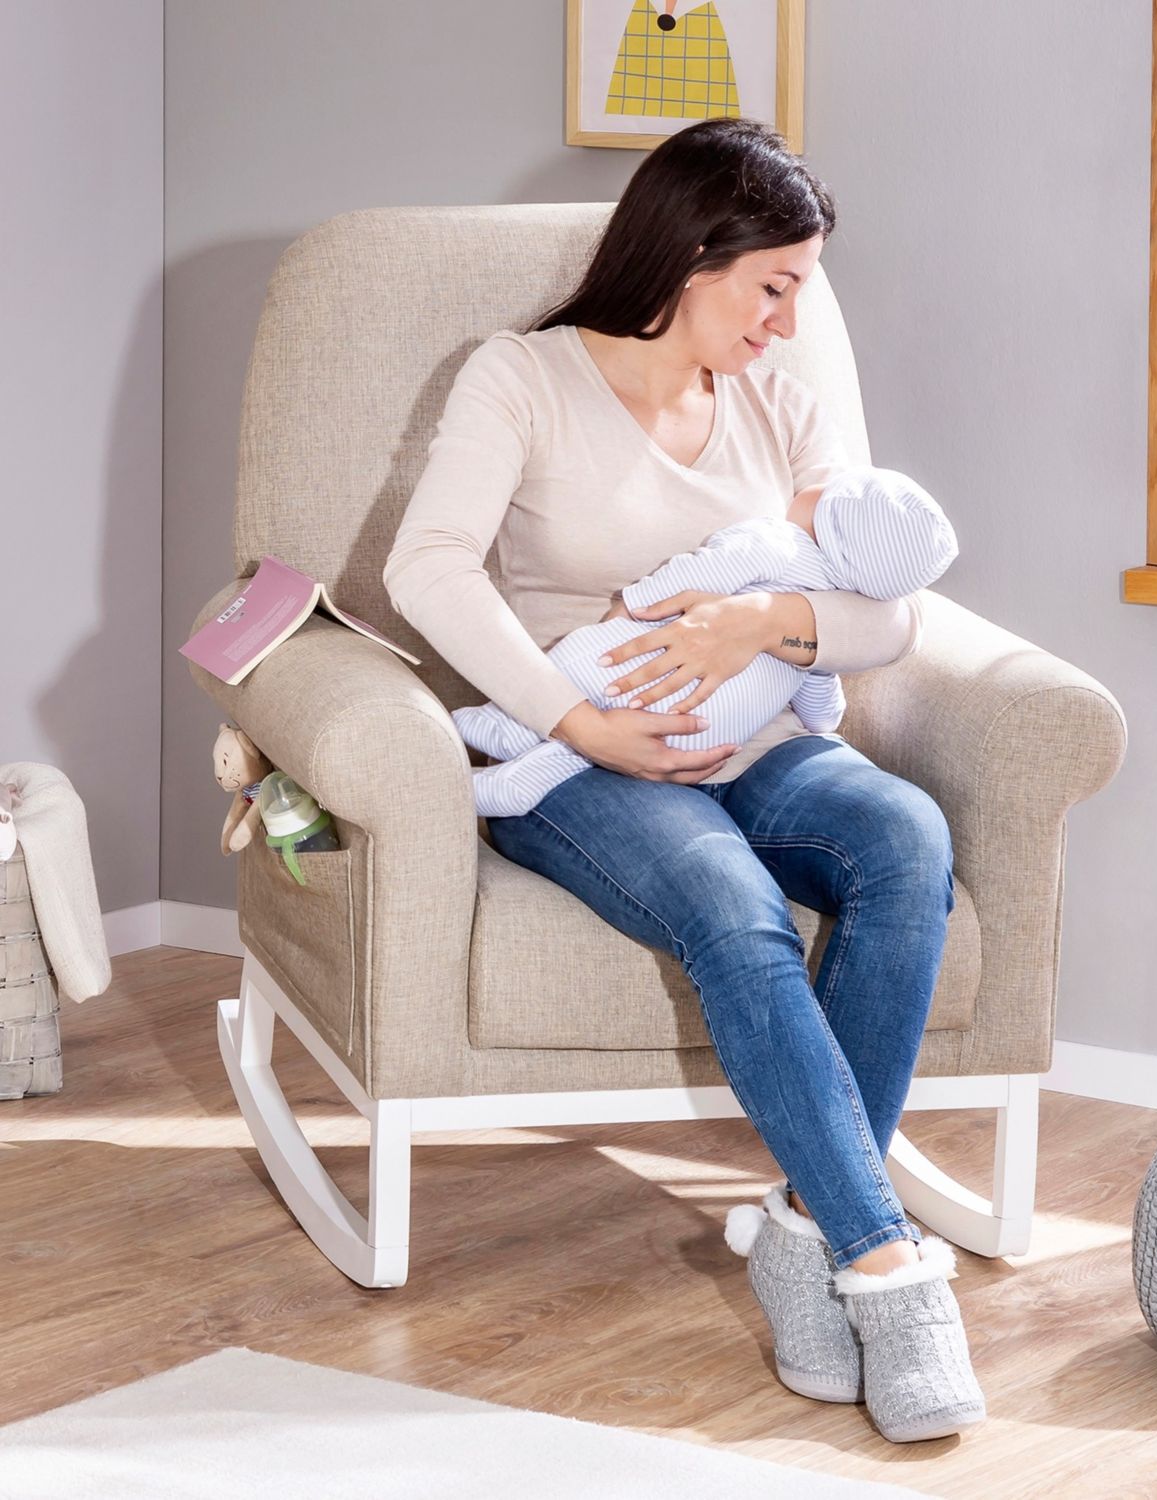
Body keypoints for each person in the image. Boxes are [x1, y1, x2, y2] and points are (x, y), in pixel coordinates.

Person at [382, 116, 985, 1444]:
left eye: (799, 291)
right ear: (691, 255)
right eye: (772, 286)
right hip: (578, 757)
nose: (788, 322)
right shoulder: (519, 378)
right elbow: (426, 567)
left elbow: (889, 606)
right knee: (729, 903)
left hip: (757, 733)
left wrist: (762, 621)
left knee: (903, 838)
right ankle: (887, 1267)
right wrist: (578, 721)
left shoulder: (781, 405)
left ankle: (806, 1228)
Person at [449, 463, 959, 817]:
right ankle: (520, 783)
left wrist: (631, 607)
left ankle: (502, 727)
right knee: (600, 747)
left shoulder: (777, 541)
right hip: (703, 737)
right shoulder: (820, 623)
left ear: (828, 513)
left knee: (586, 662)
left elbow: (700, 572)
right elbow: (823, 715)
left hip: (643, 671)